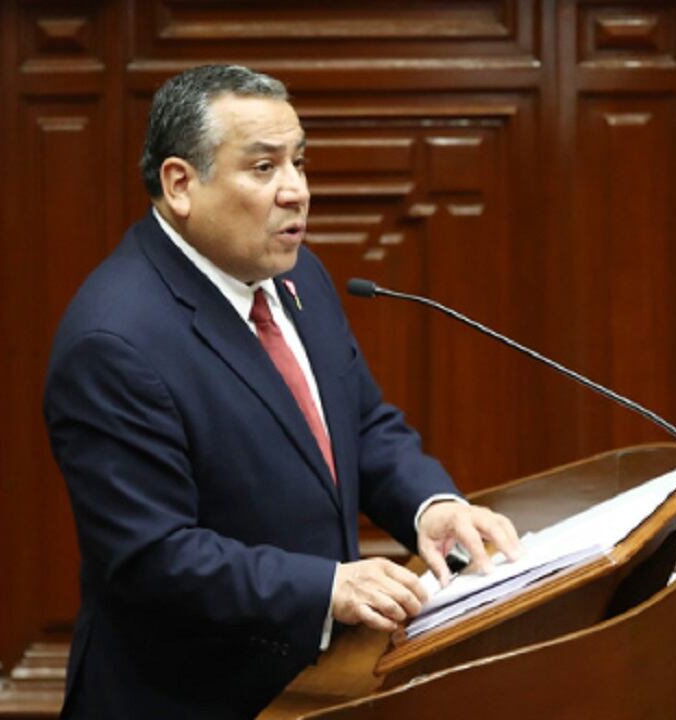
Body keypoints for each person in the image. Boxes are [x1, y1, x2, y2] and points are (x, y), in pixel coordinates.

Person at [43, 64, 521, 719]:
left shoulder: (299, 278)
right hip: (190, 699)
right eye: (264, 168)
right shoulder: (115, 342)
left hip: (317, 688)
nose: (296, 191)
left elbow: (359, 423)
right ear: (180, 184)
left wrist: (427, 507)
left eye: (299, 162)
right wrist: (324, 587)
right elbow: (152, 557)